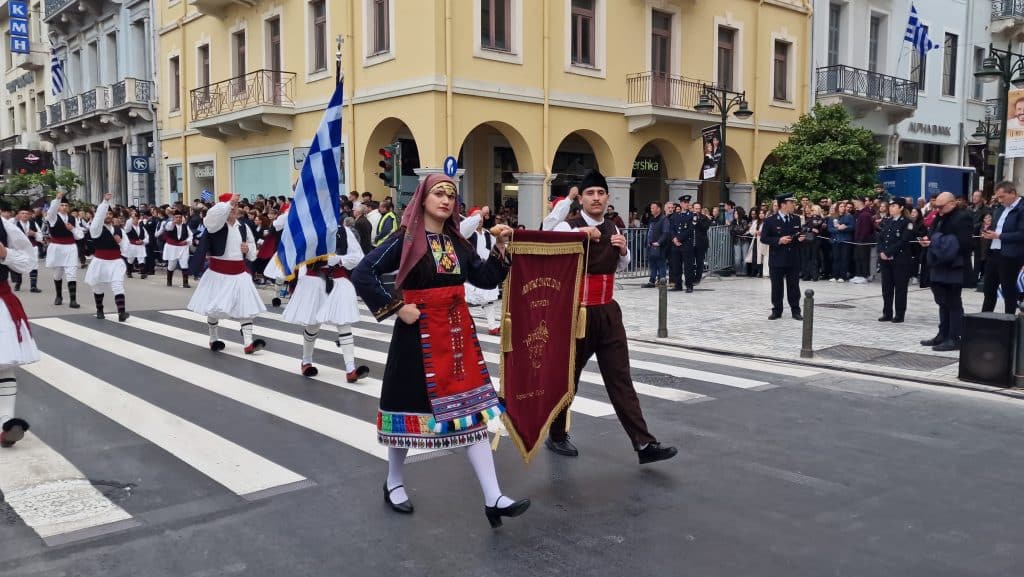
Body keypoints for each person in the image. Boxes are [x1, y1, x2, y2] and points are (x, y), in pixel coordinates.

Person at [351, 174, 530, 527]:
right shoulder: (404, 239)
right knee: (406, 409)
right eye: (438, 193)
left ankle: (493, 497)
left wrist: (502, 248)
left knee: (471, 411)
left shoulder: (457, 241)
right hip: (416, 334)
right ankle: (394, 480)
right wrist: (396, 307)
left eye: (451, 194)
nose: (446, 200)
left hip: (456, 335)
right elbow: (363, 272)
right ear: (422, 198)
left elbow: (484, 278)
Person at [542, 169, 678, 465]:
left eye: (600, 193)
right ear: (582, 199)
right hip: (576, 314)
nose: (596, 198)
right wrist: (581, 234)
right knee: (568, 379)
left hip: (608, 312)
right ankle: (556, 435)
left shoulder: (616, 228)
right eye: (590, 193)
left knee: (620, 379)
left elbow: (622, 267)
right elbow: (548, 241)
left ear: (607, 198)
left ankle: (644, 443)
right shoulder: (568, 226)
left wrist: (625, 250)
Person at [283, 221, 369, 382]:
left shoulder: (343, 231)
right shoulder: (307, 227)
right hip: (314, 280)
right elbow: (296, 255)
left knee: (344, 323)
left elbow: (358, 256)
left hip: (338, 280)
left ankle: (350, 368)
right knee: (313, 324)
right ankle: (306, 360)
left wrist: (339, 259)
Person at [187, 193, 267, 354]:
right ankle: (213, 338)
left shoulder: (243, 226)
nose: (233, 208)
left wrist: (249, 250)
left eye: (236, 206)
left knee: (246, 308)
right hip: (218, 273)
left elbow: (251, 247)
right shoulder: (215, 225)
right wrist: (228, 203)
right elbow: (212, 216)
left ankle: (248, 342)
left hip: (239, 273)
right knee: (214, 308)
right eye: (231, 206)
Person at [0, 218, 39, 448]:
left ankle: (5, 422)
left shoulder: (4, 226)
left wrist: (5, 254)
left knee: (3, 364)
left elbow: (28, 262)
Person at [919, 192, 973, 352]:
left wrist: (935, 241)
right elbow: (933, 235)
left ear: (952, 203)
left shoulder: (963, 217)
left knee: (953, 303)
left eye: (940, 207)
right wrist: (929, 242)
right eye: (936, 206)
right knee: (942, 302)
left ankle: (954, 338)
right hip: (938, 264)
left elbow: (962, 244)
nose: (938, 210)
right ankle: (942, 334)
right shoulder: (939, 216)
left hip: (954, 266)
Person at [84, 194, 130, 321]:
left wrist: (120, 241)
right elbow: (98, 217)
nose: (108, 216)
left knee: (118, 286)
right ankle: (100, 309)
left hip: (116, 262)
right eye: (106, 214)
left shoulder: (119, 230)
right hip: (100, 262)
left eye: (110, 214)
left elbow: (126, 249)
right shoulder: (96, 229)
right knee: (98, 286)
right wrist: (105, 202)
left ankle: (121, 312)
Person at [980, 181, 1024, 314]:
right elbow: (995, 228)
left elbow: (1022, 234)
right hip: (994, 253)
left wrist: (999, 236)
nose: (1000, 200)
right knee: (989, 290)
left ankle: (1009, 323)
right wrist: (987, 229)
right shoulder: (1000, 209)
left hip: (1011, 255)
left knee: (1008, 290)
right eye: (998, 197)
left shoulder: (1021, 209)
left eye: (1002, 196)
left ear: (1012, 193)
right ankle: (984, 321)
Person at [761, 194, 805, 320]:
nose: (794, 205)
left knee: (794, 286)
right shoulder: (770, 220)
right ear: (783, 204)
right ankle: (777, 310)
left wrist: (800, 239)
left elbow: (797, 234)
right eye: (791, 202)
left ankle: (795, 310)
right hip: (777, 258)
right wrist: (779, 240)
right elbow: (764, 238)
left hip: (793, 258)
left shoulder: (796, 219)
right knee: (777, 286)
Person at [460, 207, 502, 336]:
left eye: (481, 217)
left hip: (484, 270)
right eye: (476, 217)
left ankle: (492, 326)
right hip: (470, 271)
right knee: (466, 302)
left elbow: (495, 248)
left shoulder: (487, 234)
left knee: (490, 301)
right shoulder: (467, 233)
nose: (480, 220)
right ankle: (464, 325)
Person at [877, 199, 915, 323]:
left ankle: (899, 314)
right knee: (886, 288)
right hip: (885, 260)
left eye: (894, 206)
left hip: (900, 260)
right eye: (890, 206)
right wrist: (882, 252)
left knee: (900, 288)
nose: (891, 208)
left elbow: (903, 241)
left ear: (901, 208)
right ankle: (887, 313)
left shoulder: (907, 222)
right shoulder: (887, 221)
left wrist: (888, 253)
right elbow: (881, 238)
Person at [45, 192, 84, 308]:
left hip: (70, 247)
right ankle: (58, 296)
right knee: (58, 274)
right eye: (62, 205)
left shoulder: (73, 219)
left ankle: (73, 300)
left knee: (71, 273)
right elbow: (52, 210)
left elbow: (80, 235)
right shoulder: (52, 217)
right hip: (57, 247)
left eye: (66, 205)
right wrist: (57, 199)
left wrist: (72, 229)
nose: (64, 207)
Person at [668, 195, 697, 292]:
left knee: (688, 266)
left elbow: (690, 230)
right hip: (676, 244)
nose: (686, 204)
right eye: (684, 202)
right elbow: (671, 229)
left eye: (687, 202)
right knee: (676, 265)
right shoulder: (675, 216)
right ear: (680, 204)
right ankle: (678, 285)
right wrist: (674, 239)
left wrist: (678, 239)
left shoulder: (692, 216)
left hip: (686, 243)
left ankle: (689, 286)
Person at [11, 210, 42, 293]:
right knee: (18, 265)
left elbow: (40, 235)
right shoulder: (14, 223)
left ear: (30, 215)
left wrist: (34, 234)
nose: (25, 215)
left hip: (32, 247)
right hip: (19, 248)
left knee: (34, 265)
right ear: (19, 215)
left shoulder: (33, 223)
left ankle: (33, 286)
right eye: (23, 213)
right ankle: (18, 282)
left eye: (27, 214)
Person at [162, 210, 193, 288]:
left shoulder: (186, 226)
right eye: (176, 217)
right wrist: (173, 222)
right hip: (172, 248)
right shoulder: (170, 224)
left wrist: (186, 241)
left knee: (184, 264)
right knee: (172, 265)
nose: (178, 219)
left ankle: (185, 283)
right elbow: (168, 228)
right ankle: (169, 281)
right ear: (174, 218)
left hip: (183, 248)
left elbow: (191, 236)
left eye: (180, 217)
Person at [643, 201, 669, 287]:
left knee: (661, 263)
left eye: (653, 208)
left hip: (659, 246)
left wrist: (659, 242)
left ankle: (662, 279)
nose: (651, 209)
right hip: (650, 245)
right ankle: (652, 281)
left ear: (659, 209)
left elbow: (665, 233)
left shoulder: (664, 219)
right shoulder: (652, 219)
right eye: (651, 208)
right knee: (652, 264)